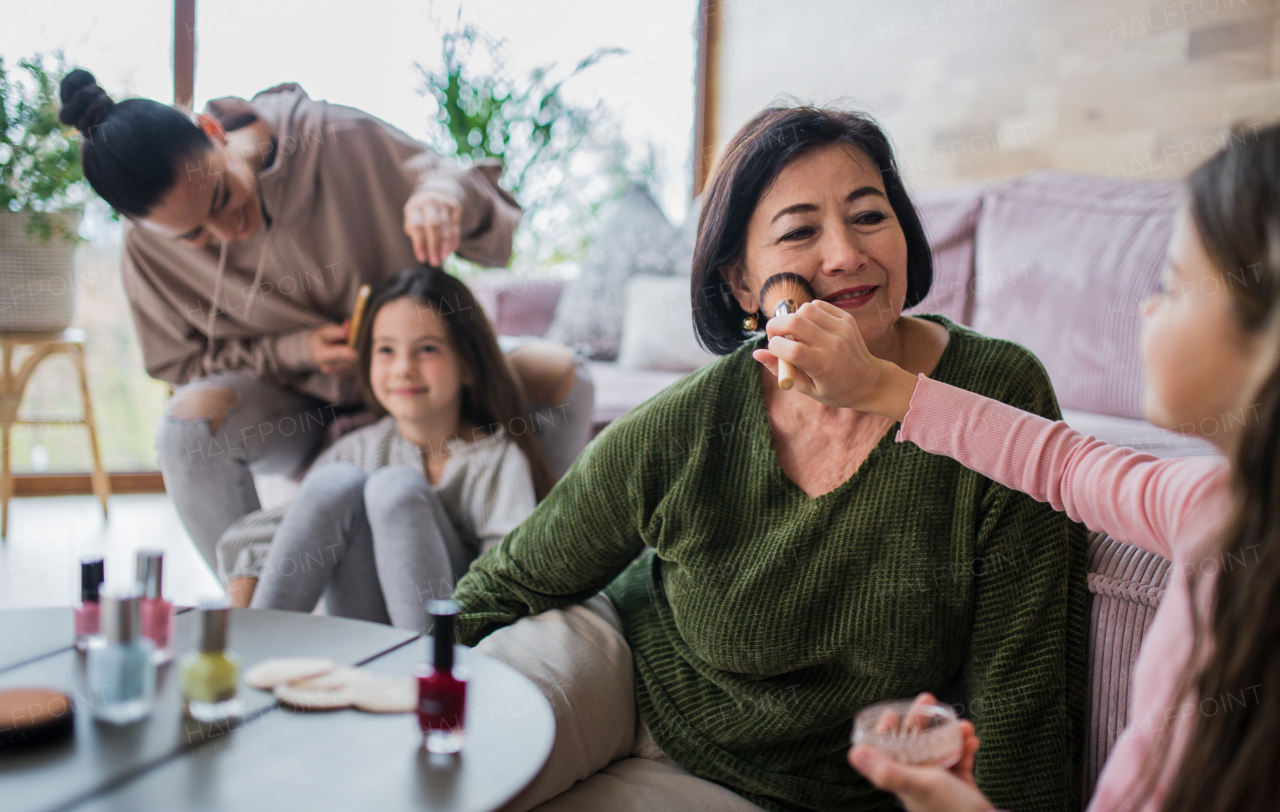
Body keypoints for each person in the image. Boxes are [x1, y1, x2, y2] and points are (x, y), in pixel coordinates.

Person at [448, 107, 1089, 812]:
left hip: (794, 785)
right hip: (623, 666)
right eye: (800, 231)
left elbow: (1023, 697)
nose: (846, 253)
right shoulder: (693, 418)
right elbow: (512, 579)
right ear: (746, 285)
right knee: (458, 765)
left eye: (869, 215)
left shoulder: (997, 397)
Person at [810, 123, 1280, 812]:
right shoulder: (1212, 504)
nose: (1146, 306)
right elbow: (1057, 461)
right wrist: (880, 387)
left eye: (1172, 286)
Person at [58, 70, 591, 567]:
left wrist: (445, 196)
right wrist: (297, 351)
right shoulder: (146, 250)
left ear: (213, 130)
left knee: (567, 377)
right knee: (187, 430)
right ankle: (262, 607)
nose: (227, 230)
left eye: (222, 195)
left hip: (418, 378)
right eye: (194, 236)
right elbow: (181, 363)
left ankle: (534, 566)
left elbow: (489, 220)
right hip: (296, 407)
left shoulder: (333, 136)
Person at [210, 267, 552, 632]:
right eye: (386, 350)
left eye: (427, 349)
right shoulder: (357, 450)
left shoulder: (495, 460)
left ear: (468, 367)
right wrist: (243, 612)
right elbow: (250, 538)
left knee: (395, 490)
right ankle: (252, 653)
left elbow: (507, 578)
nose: (404, 368)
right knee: (334, 483)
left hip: (448, 639)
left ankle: (427, 672)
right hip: (363, 630)